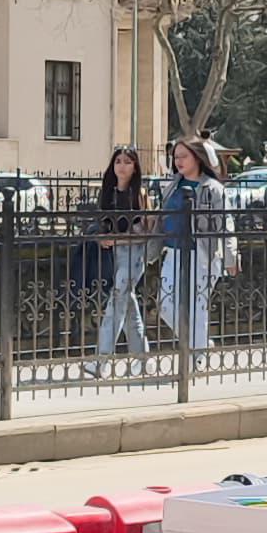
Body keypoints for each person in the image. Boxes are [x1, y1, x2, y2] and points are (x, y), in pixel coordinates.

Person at [158, 135, 231, 354]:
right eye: (176, 157)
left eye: (184, 156)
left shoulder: (212, 188)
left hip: (201, 254)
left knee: (197, 308)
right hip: (173, 251)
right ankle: (198, 343)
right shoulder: (172, 185)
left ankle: (195, 357)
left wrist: (230, 257)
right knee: (165, 305)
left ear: (197, 158)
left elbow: (225, 223)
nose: (178, 161)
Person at [90, 145, 156, 373]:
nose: (122, 166)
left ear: (135, 166)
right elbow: (101, 224)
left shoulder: (140, 194)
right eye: (118, 161)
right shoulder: (107, 193)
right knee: (128, 307)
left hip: (134, 255)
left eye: (128, 162)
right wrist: (102, 238)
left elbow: (145, 232)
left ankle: (101, 360)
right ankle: (143, 359)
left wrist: (117, 239)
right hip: (115, 256)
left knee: (117, 302)